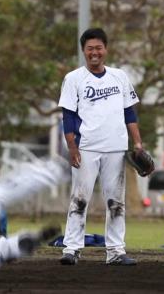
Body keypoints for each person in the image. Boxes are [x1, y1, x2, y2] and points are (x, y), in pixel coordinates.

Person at [57, 28, 144, 266]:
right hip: (86, 147)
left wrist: (137, 143)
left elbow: (130, 113)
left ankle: (116, 251)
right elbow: (68, 115)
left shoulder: (119, 76)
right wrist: (72, 147)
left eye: (98, 48)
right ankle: (72, 249)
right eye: (89, 48)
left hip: (116, 147)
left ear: (105, 49)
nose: (94, 52)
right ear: (84, 51)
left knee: (116, 201)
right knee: (80, 198)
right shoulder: (73, 78)